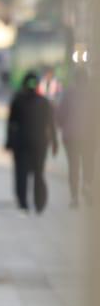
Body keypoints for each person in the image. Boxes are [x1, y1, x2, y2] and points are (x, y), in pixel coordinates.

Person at [7, 70, 60, 215]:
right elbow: (51, 125)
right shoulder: (44, 102)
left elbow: (11, 123)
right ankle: (39, 204)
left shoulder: (17, 100)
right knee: (38, 173)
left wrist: (9, 143)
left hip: (21, 143)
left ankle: (23, 203)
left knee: (21, 174)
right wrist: (55, 143)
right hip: (40, 143)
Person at [58, 66, 90, 207]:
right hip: (90, 136)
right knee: (89, 162)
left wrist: (61, 126)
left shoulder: (68, 93)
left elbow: (60, 114)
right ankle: (87, 184)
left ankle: (74, 197)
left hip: (71, 136)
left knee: (73, 166)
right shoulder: (94, 93)